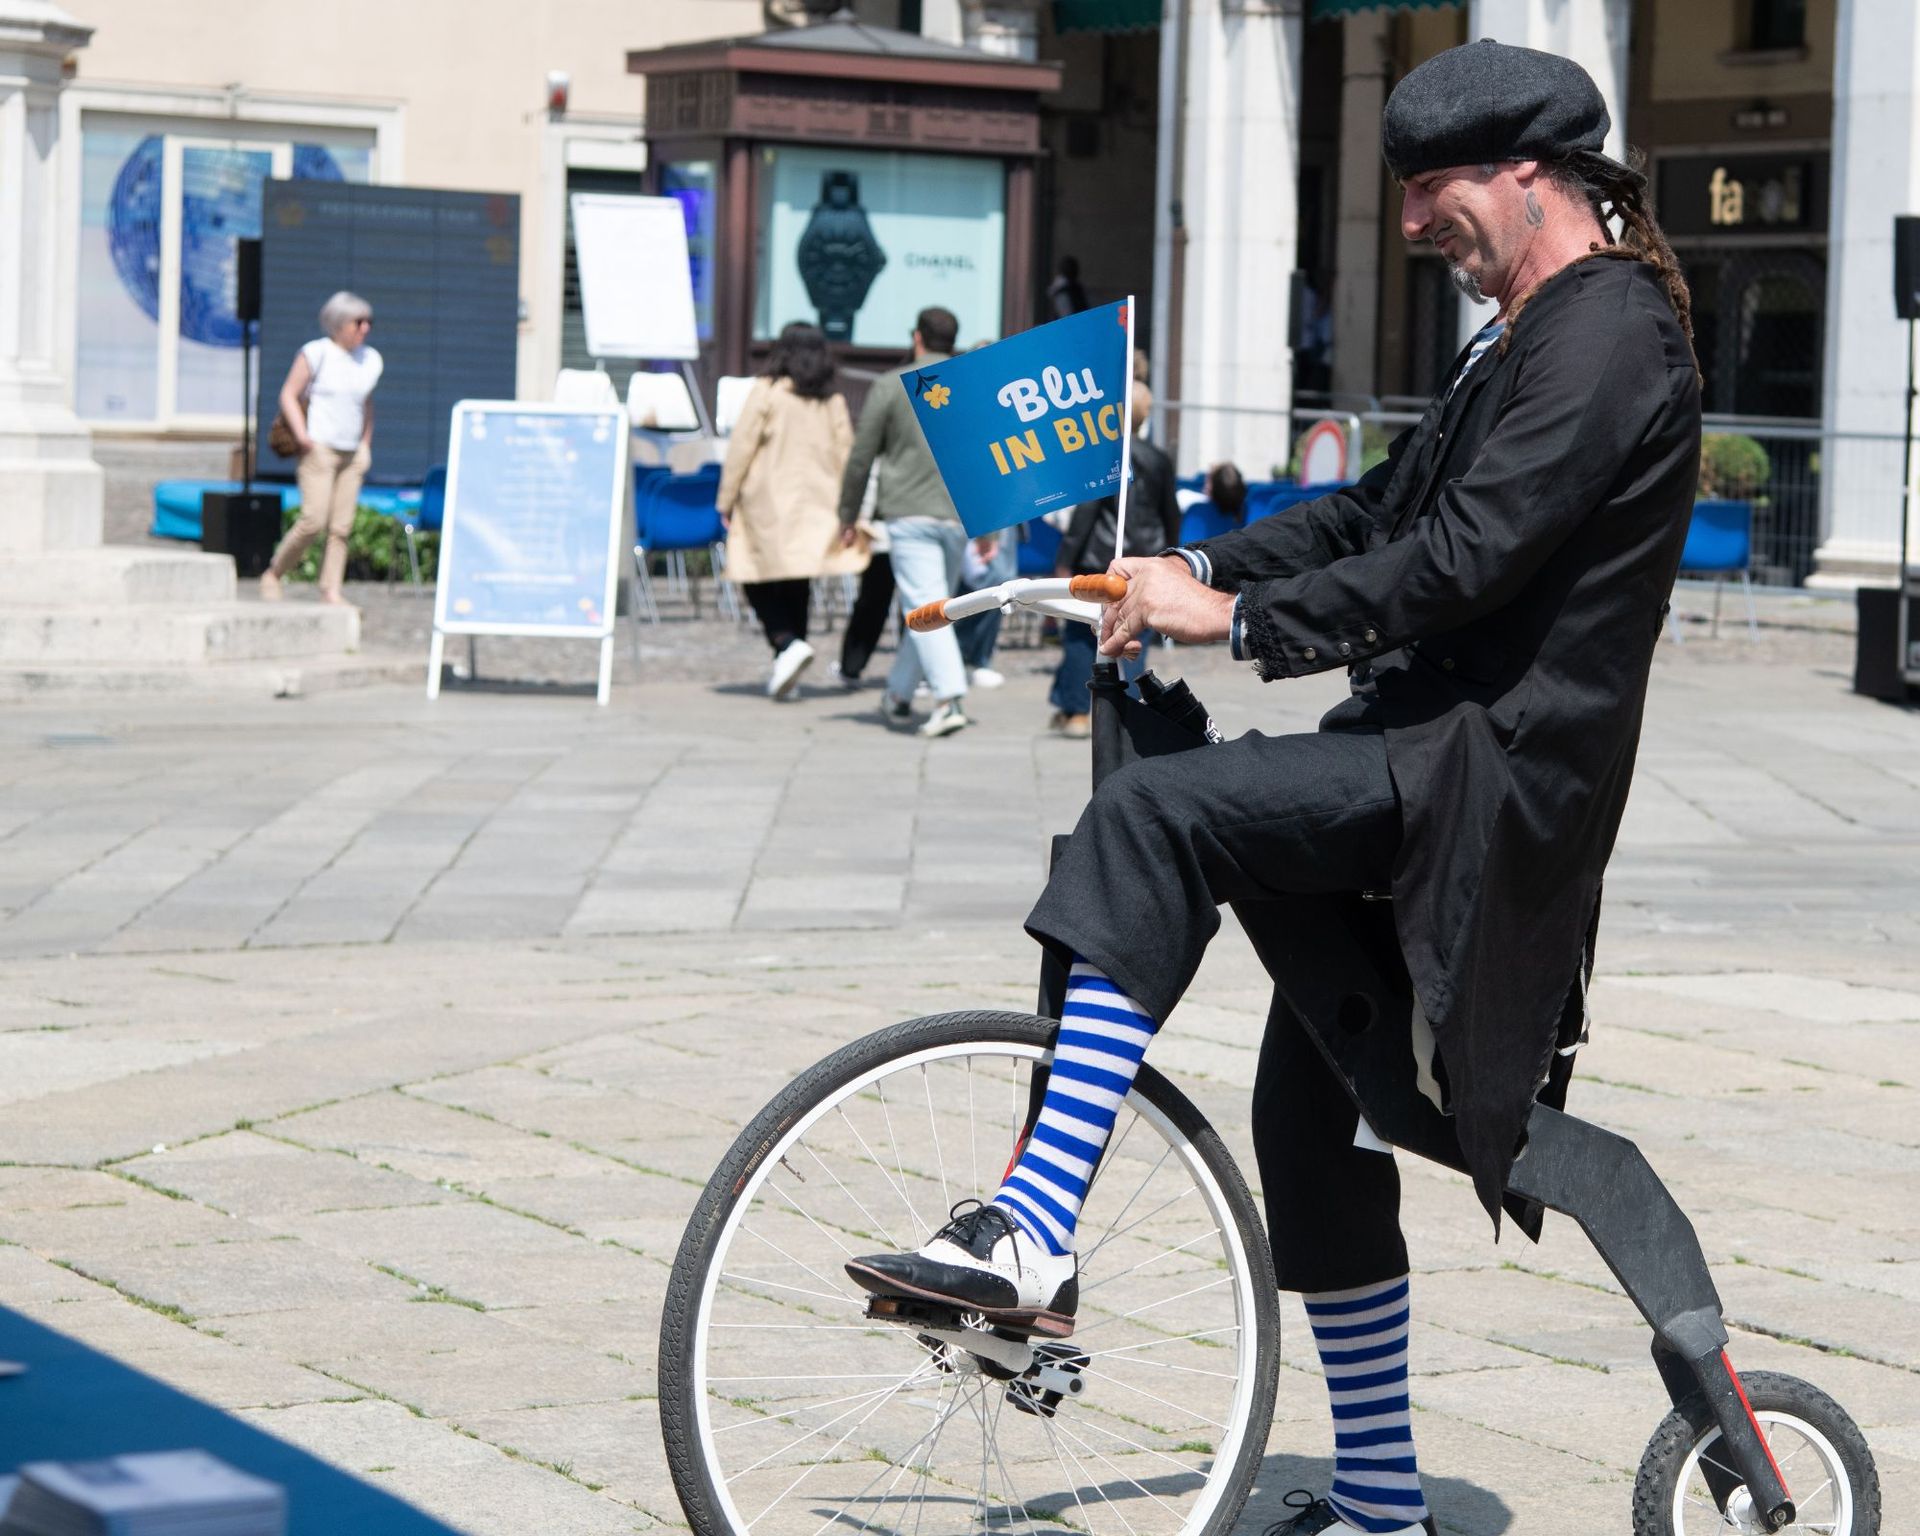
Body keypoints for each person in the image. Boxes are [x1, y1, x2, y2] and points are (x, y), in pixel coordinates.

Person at [848, 40, 1701, 1536]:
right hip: (1419, 751)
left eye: (1433, 189)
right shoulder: (1521, 333)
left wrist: (1235, 627)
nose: (1419, 218)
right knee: (1310, 1138)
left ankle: (1034, 1229)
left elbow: (1466, 561)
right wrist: (1192, 566)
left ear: (1529, 170)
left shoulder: (1611, 333)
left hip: (1476, 785)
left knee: (1156, 812)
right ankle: (1384, 1507)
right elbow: (1378, 508)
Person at [836, 306, 982, 739]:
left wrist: (848, 514)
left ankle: (949, 696)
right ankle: (898, 694)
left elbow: (862, 456)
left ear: (917, 337)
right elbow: (987, 456)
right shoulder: (970, 384)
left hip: (908, 511)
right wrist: (989, 525)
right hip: (959, 513)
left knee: (927, 607)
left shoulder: (889, 386)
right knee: (933, 604)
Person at [716, 322, 863, 699]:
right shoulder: (831, 400)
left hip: (765, 498)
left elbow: (741, 448)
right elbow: (848, 454)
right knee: (799, 581)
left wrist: (726, 498)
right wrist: (851, 510)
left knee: (753, 573)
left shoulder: (766, 392)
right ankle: (791, 655)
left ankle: (785, 643)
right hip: (817, 503)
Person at [1046, 382, 1182, 738]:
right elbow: (1171, 515)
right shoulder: (1160, 459)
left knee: (1081, 634)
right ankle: (1132, 715)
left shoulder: (1102, 458)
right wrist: (1175, 559)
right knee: (1136, 639)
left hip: (1099, 561)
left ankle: (1076, 711)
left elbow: (1085, 516)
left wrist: (1065, 560)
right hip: (1146, 560)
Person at [260, 291, 382, 604]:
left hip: (351, 453)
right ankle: (274, 573)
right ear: (339, 324)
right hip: (320, 450)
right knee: (313, 520)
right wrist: (303, 437)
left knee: (341, 527)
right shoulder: (316, 353)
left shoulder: (369, 359)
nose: (365, 328)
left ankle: (331, 589)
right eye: (358, 322)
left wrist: (365, 445)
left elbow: (365, 403)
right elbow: (288, 394)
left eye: (368, 321)